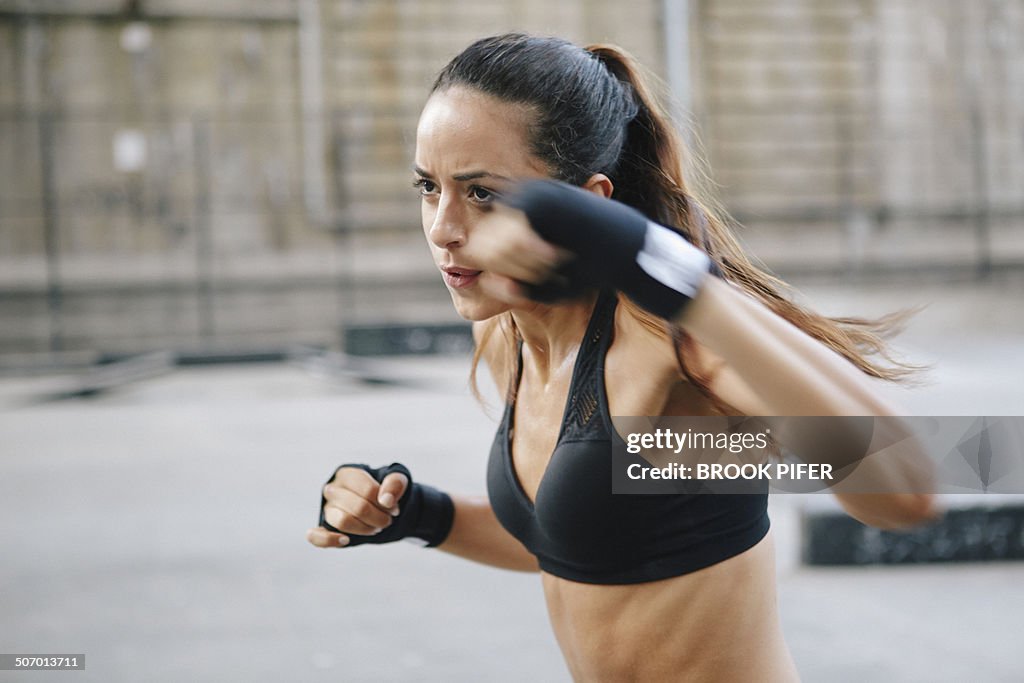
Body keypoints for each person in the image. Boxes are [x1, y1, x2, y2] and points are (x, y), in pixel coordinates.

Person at [306, 33, 938, 681]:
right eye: (428, 186)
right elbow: (579, 541)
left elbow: (906, 487)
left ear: (589, 203)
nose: (442, 227)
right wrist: (417, 512)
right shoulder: (506, 335)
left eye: (482, 193)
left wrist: (675, 277)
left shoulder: (667, 341)